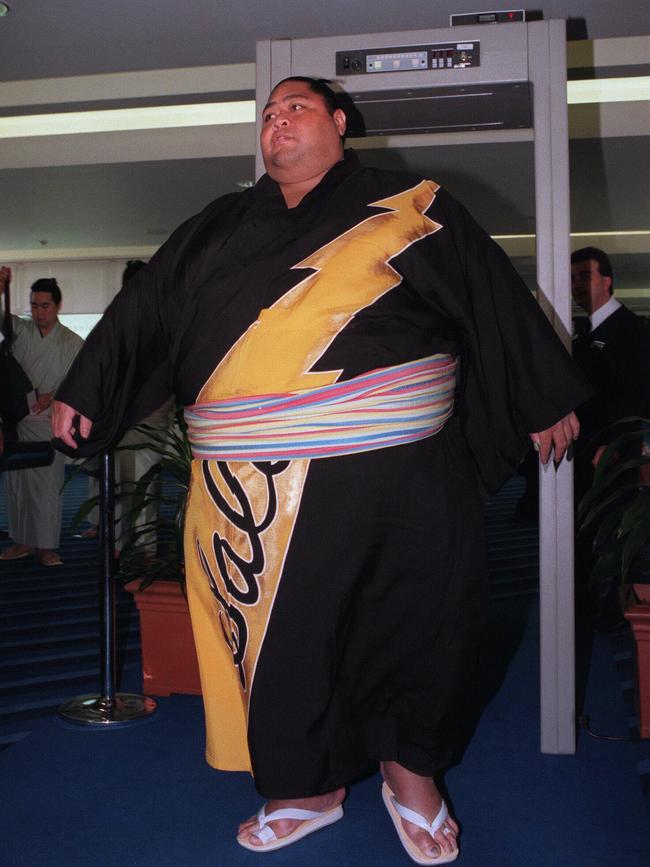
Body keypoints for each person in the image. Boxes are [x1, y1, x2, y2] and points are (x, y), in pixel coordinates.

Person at [52, 77, 591, 864]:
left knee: (425, 621)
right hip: (258, 482)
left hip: (404, 464)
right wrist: (87, 388)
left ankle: (412, 775)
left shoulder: (413, 202)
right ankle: (306, 786)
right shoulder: (215, 226)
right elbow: (147, 311)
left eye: (295, 108)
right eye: (267, 114)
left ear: (341, 124)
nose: (278, 122)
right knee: (286, 643)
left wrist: (541, 394)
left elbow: (488, 294)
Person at [571, 247, 650, 626]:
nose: (577, 286)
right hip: (584, 452)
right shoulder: (583, 334)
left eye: (585, 277)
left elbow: (637, 394)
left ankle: (616, 616)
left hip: (612, 456)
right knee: (585, 533)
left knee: (613, 533)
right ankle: (587, 612)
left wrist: (614, 445)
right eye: (573, 279)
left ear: (608, 280)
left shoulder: (630, 330)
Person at [0, 271, 83, 566]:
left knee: (46, 486)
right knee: (17, 483)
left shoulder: (73, 342)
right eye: (34, 305)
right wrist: (2, 288)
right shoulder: (20, 331)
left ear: (57, 306)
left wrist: (53, 394)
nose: (39, 312)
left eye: (44, 305)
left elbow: (80, 382)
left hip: (50, 421)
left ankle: (46, 546)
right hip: (17, 420)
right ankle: (22, 541)